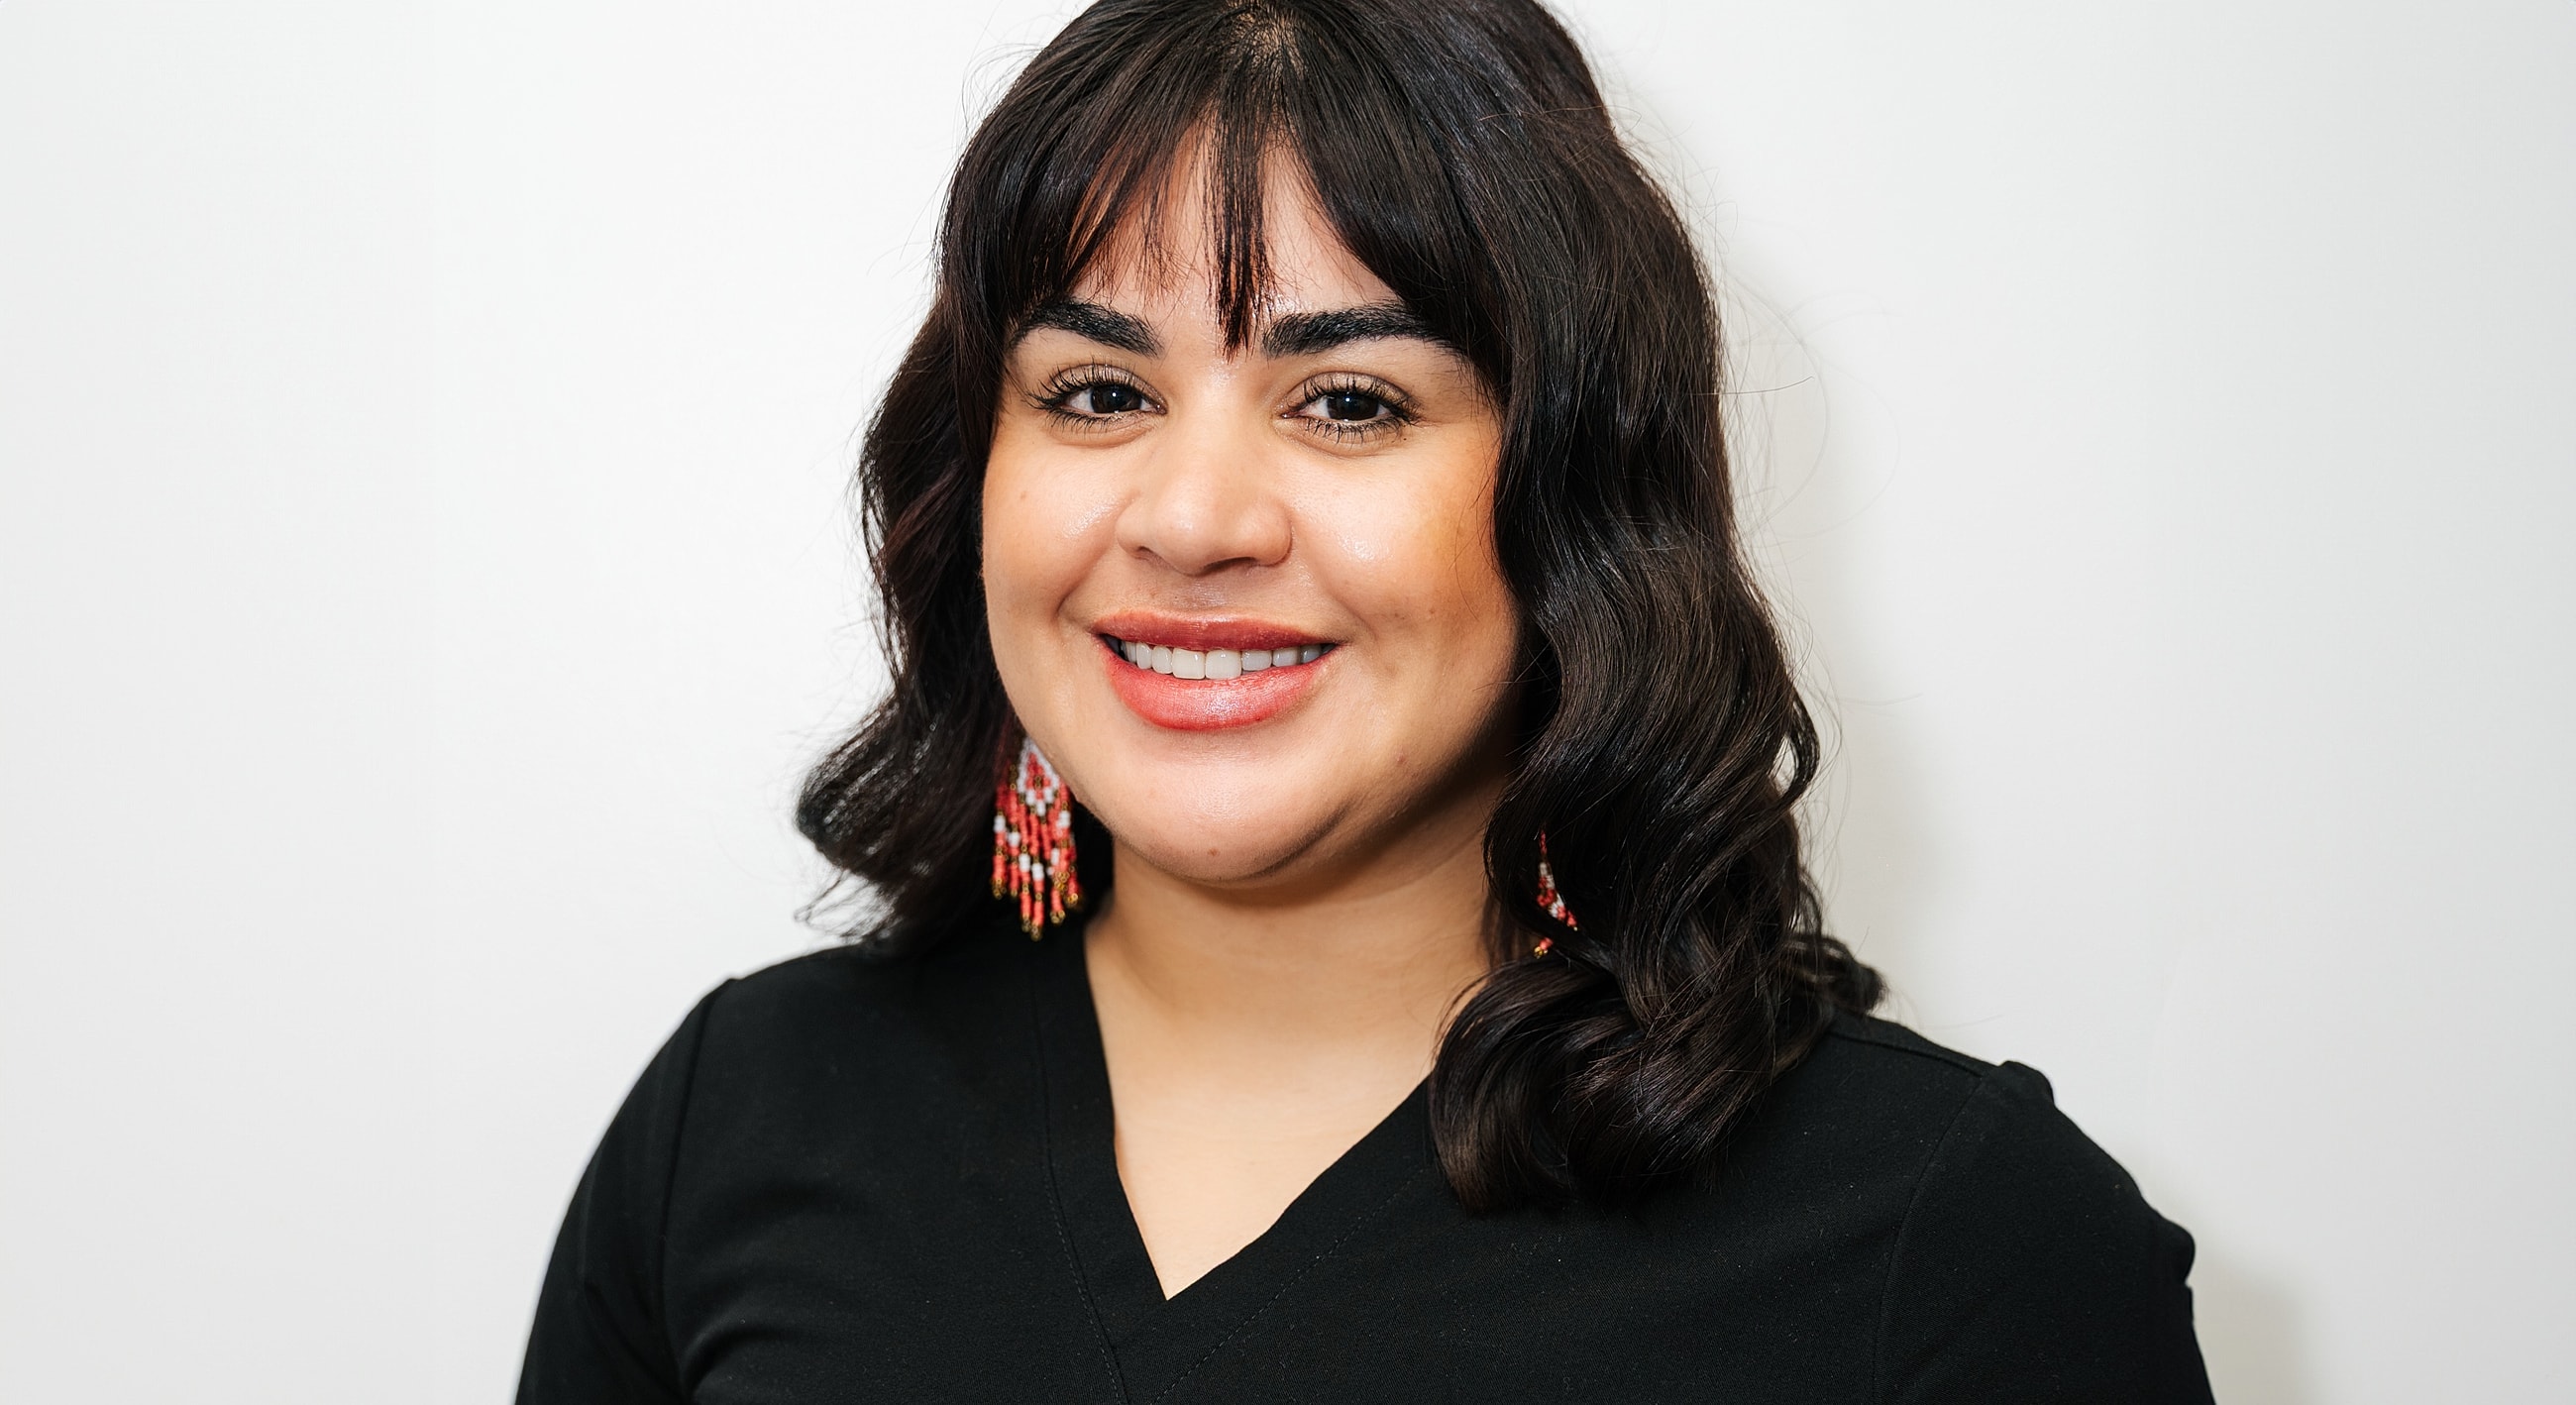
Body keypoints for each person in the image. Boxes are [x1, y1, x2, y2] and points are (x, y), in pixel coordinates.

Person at [517, 0, 2214, 1399]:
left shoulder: (1953, 1238)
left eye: (1346, 402)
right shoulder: (746, 1113)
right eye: (1099, 389)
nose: (1191, 520)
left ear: (1573, 499)